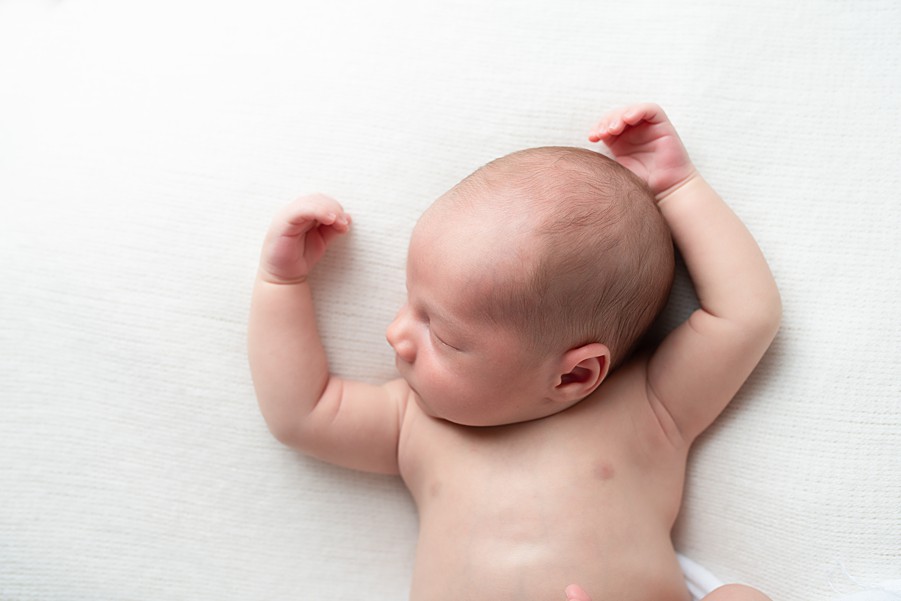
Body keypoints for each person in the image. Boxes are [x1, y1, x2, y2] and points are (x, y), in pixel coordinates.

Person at [248, 103, 781, 601]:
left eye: (444, 336)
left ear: (575, 375)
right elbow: (303, 413)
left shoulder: (649, 407)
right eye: (412, 305)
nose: (396, 335)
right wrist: (281, 285)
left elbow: (744, 316)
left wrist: (677, 187)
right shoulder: (414, 423)